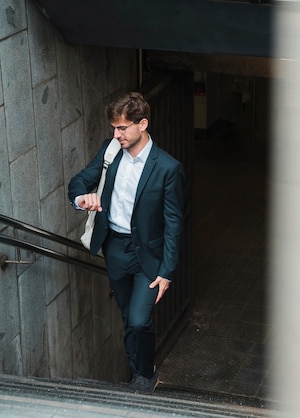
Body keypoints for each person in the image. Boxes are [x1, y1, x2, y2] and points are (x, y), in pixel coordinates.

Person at [68, 91, 184, 393]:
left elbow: (174, 222)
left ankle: (145, 375)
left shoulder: (168, 168)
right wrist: (82, 199)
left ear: (142, 124)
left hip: (148, 255)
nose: (115, 134)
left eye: (122, 128)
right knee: (127, 316)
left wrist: (167, 271)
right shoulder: (110, 153)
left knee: (137, 320)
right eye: (113, 128)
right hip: (115, 248)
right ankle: (138, 374)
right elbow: (80, 180)